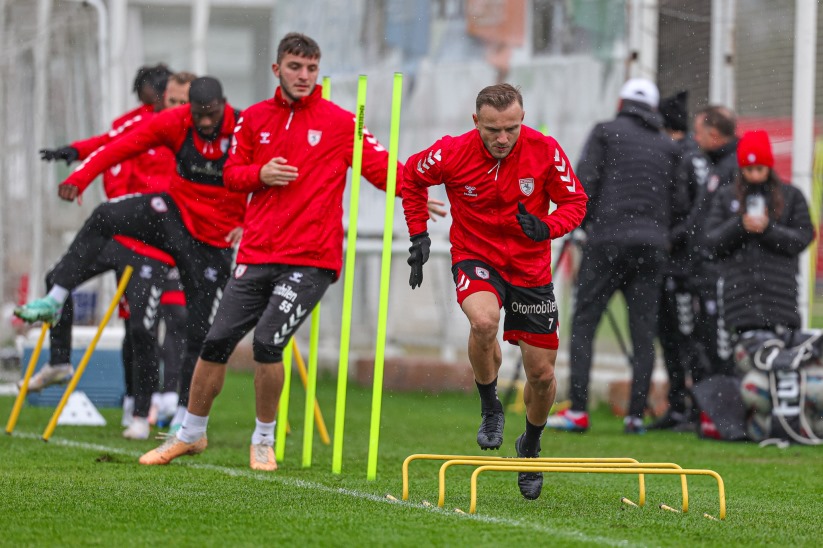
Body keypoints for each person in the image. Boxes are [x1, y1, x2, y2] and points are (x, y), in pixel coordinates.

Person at [137, 33, 445, 471]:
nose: (304, 76)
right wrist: (260, 173)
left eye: (312, 68)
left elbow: (380, 167)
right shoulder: (254, 119)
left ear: (318, 71)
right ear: (277, 69)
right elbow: (231, 175)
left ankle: (263, 440)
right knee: (216, 341)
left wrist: (414, 192)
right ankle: (190, 434)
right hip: (258, 251)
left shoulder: (340, 122)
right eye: (296, 67)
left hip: (311, 259)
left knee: (266, 343)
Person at [14, 77, 247, 440]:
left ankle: (184, 418)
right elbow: (116, 145)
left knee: (192, 332)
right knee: (105, 216)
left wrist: (251, 224)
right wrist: (80, 172)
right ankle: (54, 304)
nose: (202, 123)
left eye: (209, 114)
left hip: (211, 243)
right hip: (169, 221)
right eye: (190, 111)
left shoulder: (247, 128)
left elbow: (270, 177)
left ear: (223, 105)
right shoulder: (166, 122)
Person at [401, 83, 587, 500]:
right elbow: (410, 178)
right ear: (476, 122)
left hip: (530, 268)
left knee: (542, 375)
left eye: (511, 129)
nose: (503, 139)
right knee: (483, 320)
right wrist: (418, 236)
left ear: (523, 120)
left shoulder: (544, 149)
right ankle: (490, 407)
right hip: (476, 255)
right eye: (492, 130)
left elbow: (576, 202)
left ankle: (530, 447)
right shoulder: (451, 152)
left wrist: (548, 227)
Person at [546, 78, 680, 434]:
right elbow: (678, 202)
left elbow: (583, 184)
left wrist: (587, 225)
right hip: (652, 247)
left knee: (585, 323)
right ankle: (636, 416)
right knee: (643, 331)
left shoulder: (605, 131)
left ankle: (578, 410)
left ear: (622, 102)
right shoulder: (668, 146)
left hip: (606, 241)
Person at [703, 130, 816, 443]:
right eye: (748, 169)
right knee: (744, 365)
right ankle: (743, 423)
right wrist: (739, 226)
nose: (754, 175)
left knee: (779, 362)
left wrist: (769, 230)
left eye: (760, 168)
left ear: (769, 166)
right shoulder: (726, 198)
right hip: (739, 300)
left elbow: (804, 237)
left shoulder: (791, 196)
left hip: (781, 300)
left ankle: (783, 421)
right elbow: (710, 242)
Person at [649, 91, 711, 431]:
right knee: (676, 338)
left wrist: (669, 240)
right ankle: (682, 407)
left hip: (682, 267)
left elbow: (692, 214)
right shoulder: (690, 155)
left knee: (682, 338)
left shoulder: (682, 157)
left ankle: (690, 408)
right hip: (680, 264)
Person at [691, 105, 739, 377]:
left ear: (715, 135)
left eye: (699, 132)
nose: (695, 139)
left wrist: (711, 256)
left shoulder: (733, 168)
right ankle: (707, 410)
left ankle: (725, 409)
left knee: (720, 342)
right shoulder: (717, 165)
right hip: (707, 268)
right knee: (705, 338)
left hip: (720, 273)